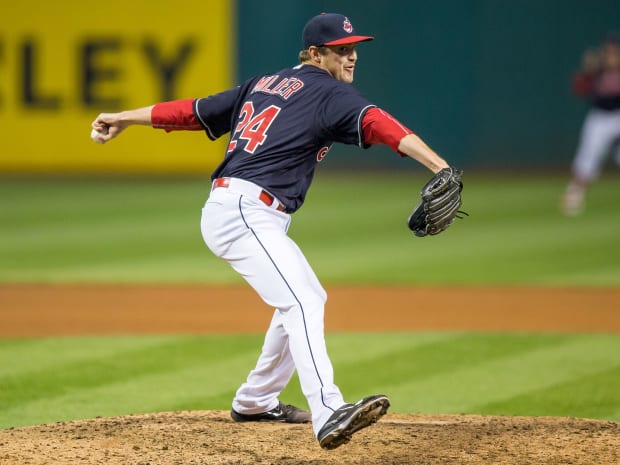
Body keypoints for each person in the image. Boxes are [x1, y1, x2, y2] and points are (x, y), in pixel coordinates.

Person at [90, 12, 453, 450]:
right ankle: (327, 411)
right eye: (342, 49)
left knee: (305, 298)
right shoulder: (329, 92)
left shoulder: (262, 84)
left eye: (354, 48)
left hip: (240, 210)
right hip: (244, 211)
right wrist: (440, 166)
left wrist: (126, 118)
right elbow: (380, 123)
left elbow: (192, 112)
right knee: (301, 300)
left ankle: (256, 400)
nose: (352, 56)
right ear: (316, 54)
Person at [561, 32, 620, 216]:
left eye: (613, 49)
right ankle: (575, 195)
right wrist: (587, 71)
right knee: (587, 156)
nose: (610, 53)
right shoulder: (597, 68)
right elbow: (579, 88)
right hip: (600, 117)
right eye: (607, 49)